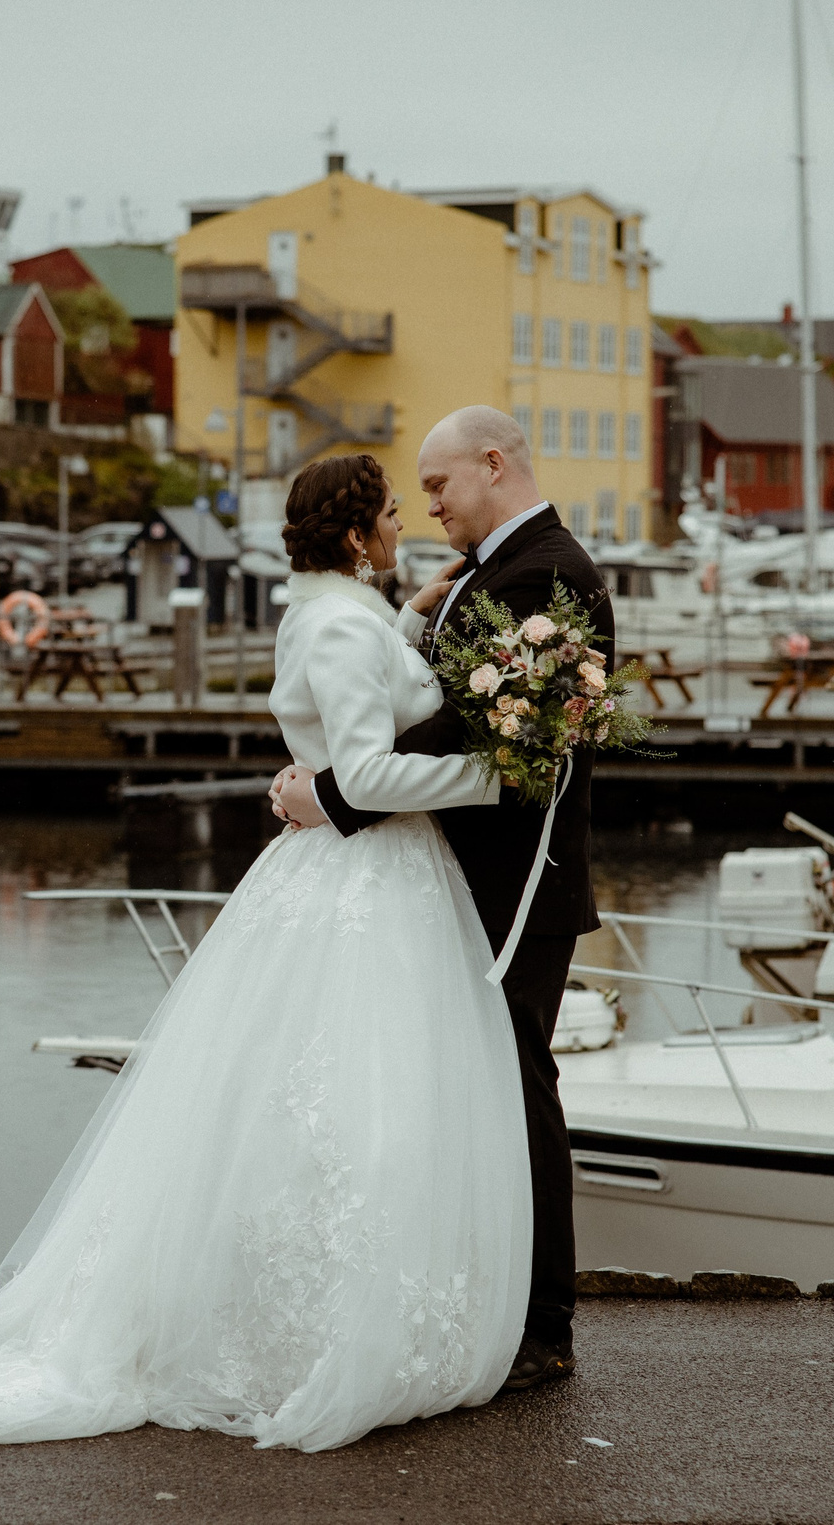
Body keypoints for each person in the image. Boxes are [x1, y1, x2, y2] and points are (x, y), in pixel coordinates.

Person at [0, 454, 530, 1452]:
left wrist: (408, 621)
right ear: (357, 537)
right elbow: (364, 770)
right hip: (369, 880)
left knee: (323, 1104)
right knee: (358, 1101)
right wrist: (497, 773)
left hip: (357, 880)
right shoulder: (344, 623)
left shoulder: (331, 610)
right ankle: (316, 1329)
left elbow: (356, 678)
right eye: (392, 514)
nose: (404, 526)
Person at [273, 405, 611, 1394]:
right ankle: (490, 1303)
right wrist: (421, 615)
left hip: (517, 881)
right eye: (406, 498)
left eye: (437, 486)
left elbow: (490, 738)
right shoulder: (489, 572)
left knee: (516, 1093)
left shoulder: (545, 572)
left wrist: (333, 790)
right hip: (455, 878)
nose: (424, 508)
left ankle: (541, 1324)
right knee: (469, 1098)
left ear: (493, 464)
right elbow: (440, 697)